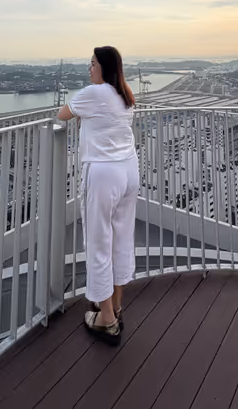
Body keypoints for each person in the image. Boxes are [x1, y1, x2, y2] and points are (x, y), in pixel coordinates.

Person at [57, 46, 138, 346]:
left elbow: (62, 114)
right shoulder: (124, 94)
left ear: (103, 67)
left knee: (98, 243)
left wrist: (83, 117)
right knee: (121, 239)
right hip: (129, 171)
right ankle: (115, 304)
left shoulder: (96, 92)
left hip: (104, 175)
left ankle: (106, 319)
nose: (88, 69)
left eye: (92, 64)